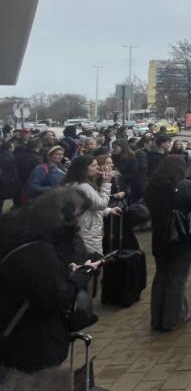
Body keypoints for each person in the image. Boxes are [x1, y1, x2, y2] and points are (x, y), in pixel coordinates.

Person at [0, 188, 99, 379]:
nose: (77, 225)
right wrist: (80, 276)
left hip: (11, 331)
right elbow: (53, 298)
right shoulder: (39, 252)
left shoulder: (15, 235)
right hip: (32, 341)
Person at [145, 156, 191, 331]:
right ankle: (172, 318)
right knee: (177, 278)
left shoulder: (152, 186)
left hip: (160, 237)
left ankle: (157, 318)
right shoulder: (184, 185)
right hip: (181, 238)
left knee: (161, 277)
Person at [62, 155, 121, 257]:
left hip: (82, 226)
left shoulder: (72, 183)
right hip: (88, 231)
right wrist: (106, 183)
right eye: (94, 165)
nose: (97, 168)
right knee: (93, 259)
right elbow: (100, 204)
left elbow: (89, 206)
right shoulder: (84, 186)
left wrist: (108, 210)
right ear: (84, 169)